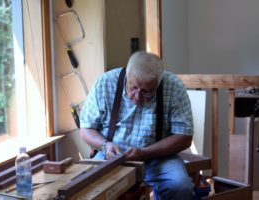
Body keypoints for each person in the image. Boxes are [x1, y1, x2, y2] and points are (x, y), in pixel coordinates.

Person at [79, 51, 195, 200]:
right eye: (133, 87)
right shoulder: (106, 82)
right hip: (111, 155)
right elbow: (86, 129)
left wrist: (146, 152)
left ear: (159, 82)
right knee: (88, 189)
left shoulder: (173, 87)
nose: (138, 96)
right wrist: (105, 145)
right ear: (127, 74)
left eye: (147, 92)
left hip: (158, 156)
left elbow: (184, 137)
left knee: (181, 188)